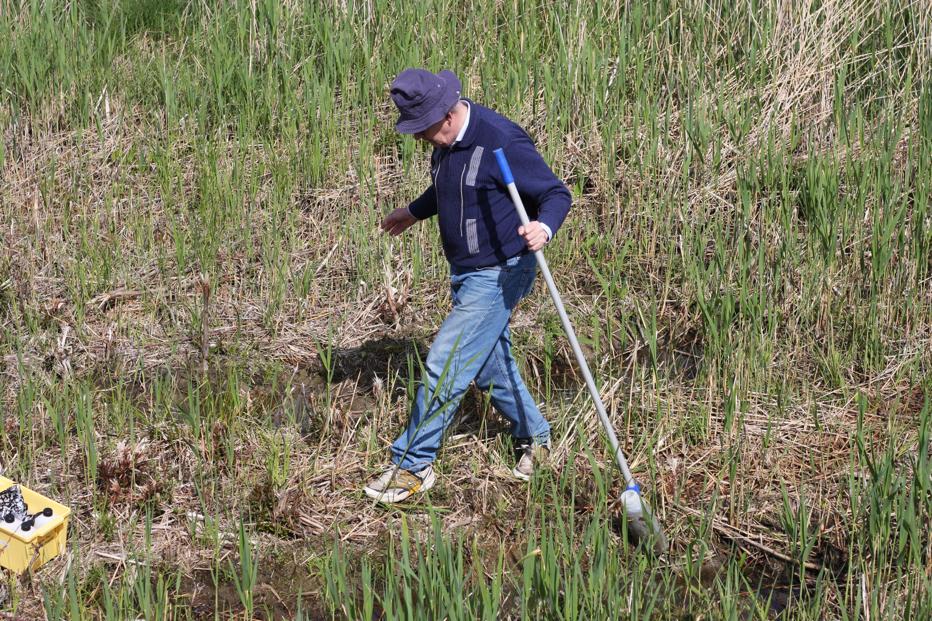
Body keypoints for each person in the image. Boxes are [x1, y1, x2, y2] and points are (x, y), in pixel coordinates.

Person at [364, 68, 572, 503]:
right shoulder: (444, 145)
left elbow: (556, 193)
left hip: (501, 271)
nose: (418, 139)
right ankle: (536, 438)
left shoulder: (501, 140)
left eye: (421, 130)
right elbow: (453, 188)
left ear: (444, 116)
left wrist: (544, 229)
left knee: (447, 362)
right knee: (490, 366)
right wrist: (415, 211)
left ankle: (412, 465)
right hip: (466, 271)